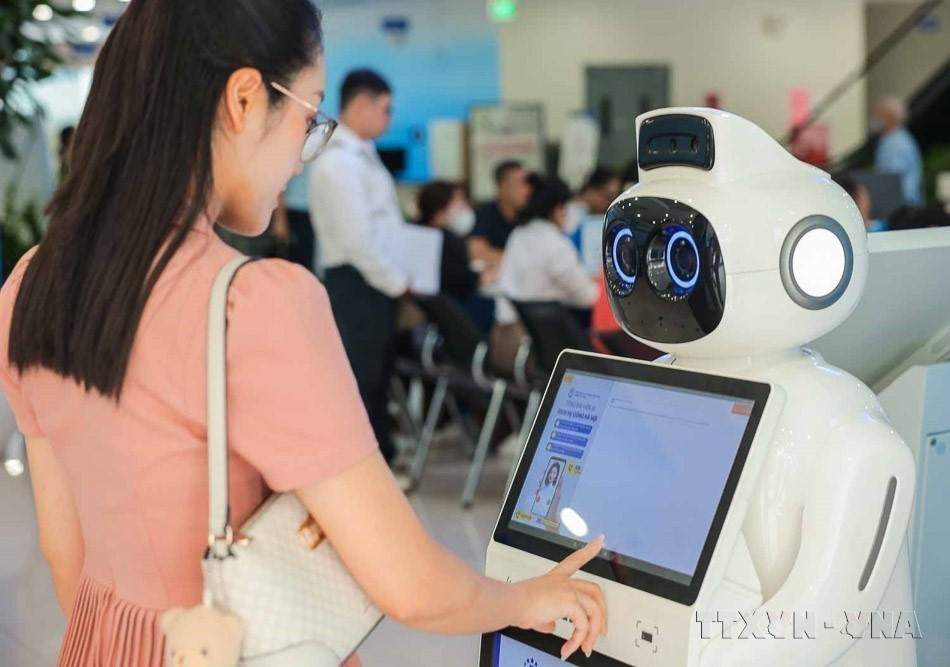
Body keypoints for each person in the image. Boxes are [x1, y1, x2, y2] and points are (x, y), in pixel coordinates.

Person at [0, 2, 607, 665]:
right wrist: (527, 599)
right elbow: (410, 583)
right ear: (242, 98)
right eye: (308, 116)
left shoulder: (29, 285)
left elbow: (64, 551)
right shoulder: (251, 302)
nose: (301, 158)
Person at [310, 69, 407, 465]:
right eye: (386, 109)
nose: (389, 119)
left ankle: (383, 456)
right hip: (357, 280)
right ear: (362, 104)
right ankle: (370, 464)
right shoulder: (339, 163)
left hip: (373, 280)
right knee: (363, 377)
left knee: (378, 374)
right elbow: (357, 240)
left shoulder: (362, 155)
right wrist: (396, 281)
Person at [495, 174, 599, 327]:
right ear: (557, 209)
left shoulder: (518, 234)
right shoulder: (556, 244)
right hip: (539, 335)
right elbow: (588, 297)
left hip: (506, 330)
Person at [416, 180, 488, 301]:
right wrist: (483, 277)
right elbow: (464, 282)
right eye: (459, 202)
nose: (465, 208)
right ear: (439, 211)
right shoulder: (445, 241)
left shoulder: (417, 232)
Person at [468, 160, 532, 265]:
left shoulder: (533, 216)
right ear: (501, 186)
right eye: (521, 184)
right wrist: (519, 260)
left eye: (529, 184)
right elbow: (477, 252)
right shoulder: (485, 214)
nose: (527, 190)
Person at [871, 97, 923, 207]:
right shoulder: (896, 139)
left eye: (879, 114)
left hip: (901, 208)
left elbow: (891, 181)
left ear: (890, 117)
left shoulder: (895, 144)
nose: (875, 118)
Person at [272, 164, 316, 272]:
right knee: (299, 261)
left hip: (315, 210)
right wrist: (280, 219)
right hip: (297, 208)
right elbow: (280, 182)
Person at [564, 166, 622, 237]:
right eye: (608, 197)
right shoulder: (569, 213)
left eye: (613, 198)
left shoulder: (600, 218)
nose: (610, 203)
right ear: (592, 190)